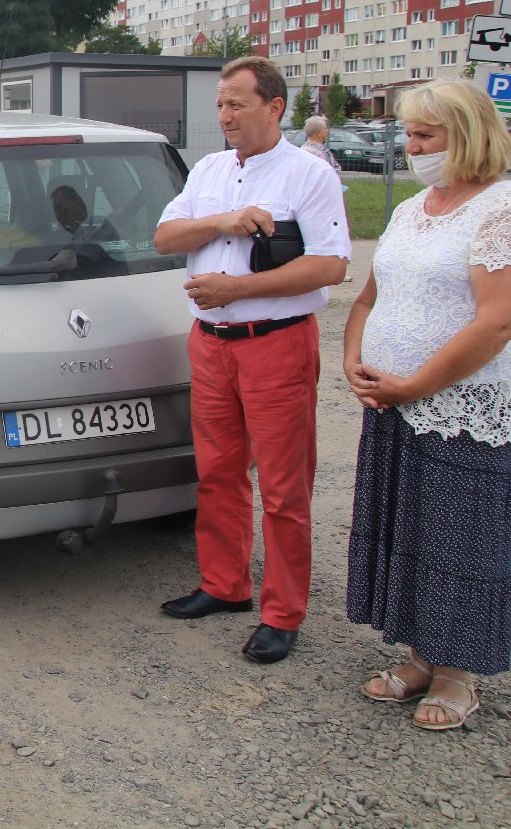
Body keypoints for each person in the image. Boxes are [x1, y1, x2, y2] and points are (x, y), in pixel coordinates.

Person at [154, 55, 350, 664]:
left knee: (286, 486)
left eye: (237, 103)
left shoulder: (308, 174)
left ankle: (283, 612)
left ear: (274, 107)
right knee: (217, 472)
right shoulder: (210, 169)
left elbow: (331, 264)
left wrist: (236, 289)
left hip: (275, 342)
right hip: (211, 343)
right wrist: (226, 221)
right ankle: (225, 584)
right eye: (220, 103)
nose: (225, 115)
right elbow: (165, 238)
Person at [344, 79, 511, 731]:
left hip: (460, 410)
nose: (412, 147)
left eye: (425, 136)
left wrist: (417, 384)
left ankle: (458, 674)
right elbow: (364, 299)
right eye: (408, 135)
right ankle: (419, 655)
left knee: (459, 542)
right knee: (409, 530)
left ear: (466, 136)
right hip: (392, 404)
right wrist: (355, 357)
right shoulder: (410, 209)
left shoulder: (498, 208)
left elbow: (496, 321)